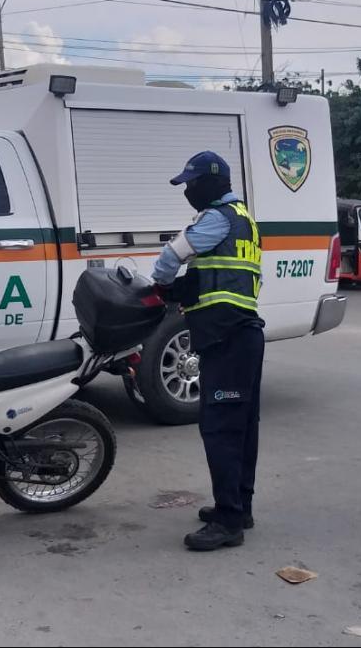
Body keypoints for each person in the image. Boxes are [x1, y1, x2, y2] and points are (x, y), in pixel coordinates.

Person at [152, 151, 266, 552]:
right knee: (242, 427)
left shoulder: (216, 217)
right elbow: (227, 274)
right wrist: (193, 286)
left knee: (220, 428)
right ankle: (239, 507)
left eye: (192, 183)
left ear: (211, 183)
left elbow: (170, 257)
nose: (188, 191)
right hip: (242, 333)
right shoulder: (244, 219)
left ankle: (229, 521)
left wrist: (163, 285)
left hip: (227, 336)